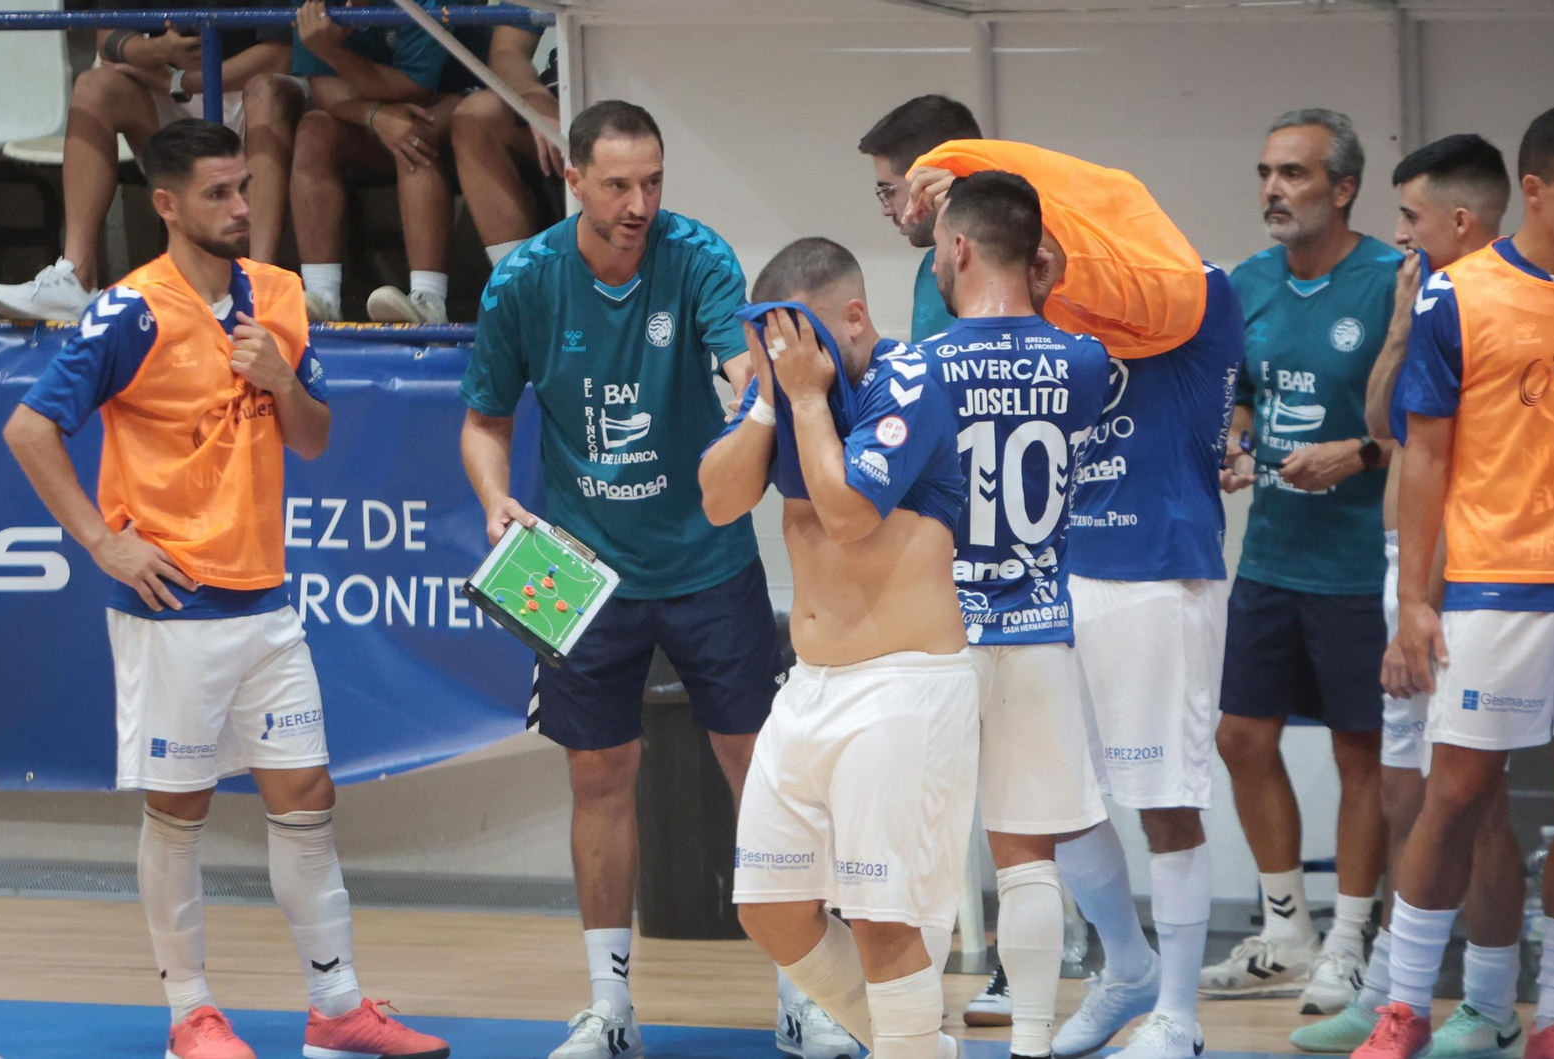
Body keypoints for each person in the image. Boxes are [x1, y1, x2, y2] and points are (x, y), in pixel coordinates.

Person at [0, 119, 446, 1059]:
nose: (240, 207)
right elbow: (32, 431)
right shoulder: (131, 310)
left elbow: (314, 437)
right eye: (217, 193)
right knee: (181, 809)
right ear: (165, 204)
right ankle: (191, 1014)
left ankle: (336, 1009)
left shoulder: (279, 294)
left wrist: (283, 378)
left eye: (244, 187)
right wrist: (103, 543)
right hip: (172, 608)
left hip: (267, 602)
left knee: (309, 797)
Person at [458, 101, 855, 1059]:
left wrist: (752, 388)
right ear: (574, 180)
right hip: (580, 574)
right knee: (598, 775)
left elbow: (741, 365)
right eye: (619, 185)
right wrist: (495, 500)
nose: (640, 204)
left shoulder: (699, 257)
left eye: (654, 183)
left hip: (708, 562)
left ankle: (806, 993)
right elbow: (485, 420)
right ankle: (611, 1008)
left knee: (761, 770)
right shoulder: (524, 282)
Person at [904, 137, 1239, 1059]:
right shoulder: (1062, 319)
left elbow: (1103, 197)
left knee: (1163, 797)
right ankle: (1124, 966)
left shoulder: (1200, 293)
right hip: (1059, 580)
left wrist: (959, 160)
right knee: (1057, 802)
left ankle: (1178, 1011)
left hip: (1159, 570)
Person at [1351, 104, 1554, 1059]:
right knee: (1454, 794)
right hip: (1495, 585)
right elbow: (1424, 461)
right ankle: (1403, 1005)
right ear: (1532, 191)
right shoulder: (1462, 297)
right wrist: (1416, 601)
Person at [700, 235, 976, 1059]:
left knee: (884, 917)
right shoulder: (784, 392)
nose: (787, 359)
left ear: (852, 317)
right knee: (770, 908)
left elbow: (852, 513)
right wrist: (763, 403)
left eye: (801, 339)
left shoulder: (912, 379)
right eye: (771, 343)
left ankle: (910, 1047)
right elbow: (718, 501)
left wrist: (807, 400)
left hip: (903, 685)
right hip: (812, 687)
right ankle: (921, 1048)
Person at [1293, 133, 1525, 1058]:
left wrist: (1427, 593)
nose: (1399, 235)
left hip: (1469, 570)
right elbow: (1384, 419)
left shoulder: (1509, 308)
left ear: (1460, 221)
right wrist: (1397, 322)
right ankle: (1395, 987)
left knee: (1475, 796)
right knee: (1405, 791)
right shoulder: (1427, 298)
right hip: (1406, 561)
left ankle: (1491, 996)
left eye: (1411, 219)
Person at [1207, 108, 1402, 1012]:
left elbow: (1435, 427)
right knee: (1240, 737)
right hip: (1271, 558)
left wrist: (1355, 452)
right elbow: (1241, 396)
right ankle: (1286, 931)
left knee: (1364, 752)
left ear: (1345, 187)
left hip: (1362, 566)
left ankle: (1353, 940)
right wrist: (1237, 445)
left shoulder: (1394, 280)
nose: (1272, 190)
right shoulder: (1247, 282)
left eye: (1292, 173)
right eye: (1265, 172)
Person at [926, 169, 1114, 1059]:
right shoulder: (1084, 362)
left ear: (957, 247)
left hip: (941, 636)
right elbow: (1054, 297)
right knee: (1028, 855)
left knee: (921, 858)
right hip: (1040, 628)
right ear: (1035, 257)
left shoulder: (917, 364)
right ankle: (1034, 1043)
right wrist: (1044, 272)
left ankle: (915, 1037)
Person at [0, 0, 301, 321]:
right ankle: (76, 277)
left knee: (268, 91)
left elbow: (279, 53)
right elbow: (108, 38)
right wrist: (159, 50)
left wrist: (184, 81)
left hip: (246, 93)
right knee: (93, 86)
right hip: (167, 88)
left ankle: (259, 281)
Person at [288, 0, 493, 324]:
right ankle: (321, 297)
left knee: (412, 133)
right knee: (314, 132)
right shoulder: (315, 5)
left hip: (459, 103)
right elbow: (325, 88)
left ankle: (429, 301)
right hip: (377, 112)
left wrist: (331, 50)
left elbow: (414, 86)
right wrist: (375, 115)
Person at [858, 95, 983, 344]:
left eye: (888, 191)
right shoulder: (932, 266)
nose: (886, 209)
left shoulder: (1024, 267)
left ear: (933, 178)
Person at [452, 20, 565, 267]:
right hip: (572, 91)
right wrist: (533, 96)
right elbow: (507, 51)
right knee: (476, 118)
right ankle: (519, 291)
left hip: (660, 90)